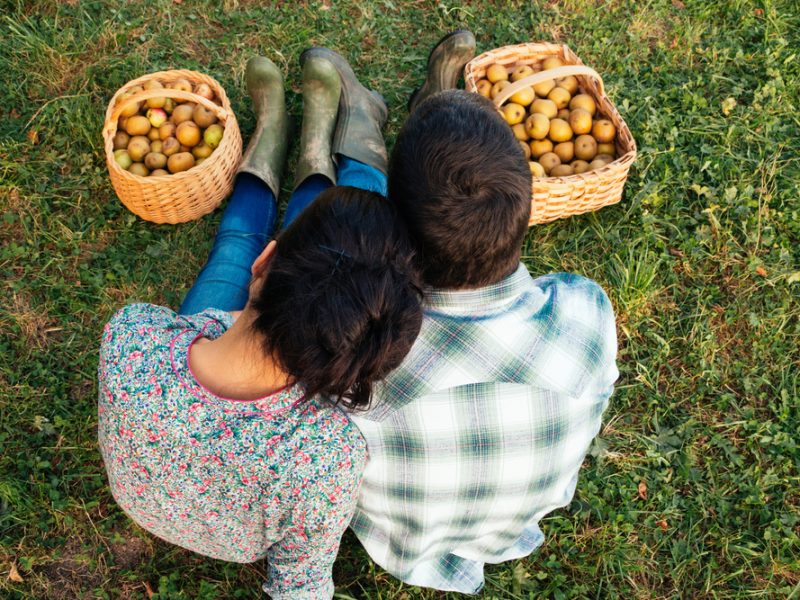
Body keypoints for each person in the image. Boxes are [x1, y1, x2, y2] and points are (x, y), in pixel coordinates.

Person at [98, 53, 423, 599]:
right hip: (231, 520)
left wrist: (221, 321)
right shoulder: (327, 461)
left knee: (235, 245)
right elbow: (301, 586)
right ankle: (312, 147)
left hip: (150, 480)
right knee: (286, 248)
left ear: (265, 263)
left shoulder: (132, 338)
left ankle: (273, 142)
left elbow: (200, 323)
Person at [346, 32, 619, 594]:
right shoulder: (586, 317)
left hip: (400, 541)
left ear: (397, 232)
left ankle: (359, 134)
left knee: (349, 210)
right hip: (506, 531)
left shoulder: (359, 357)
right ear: (526, 205)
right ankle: (386, 120)